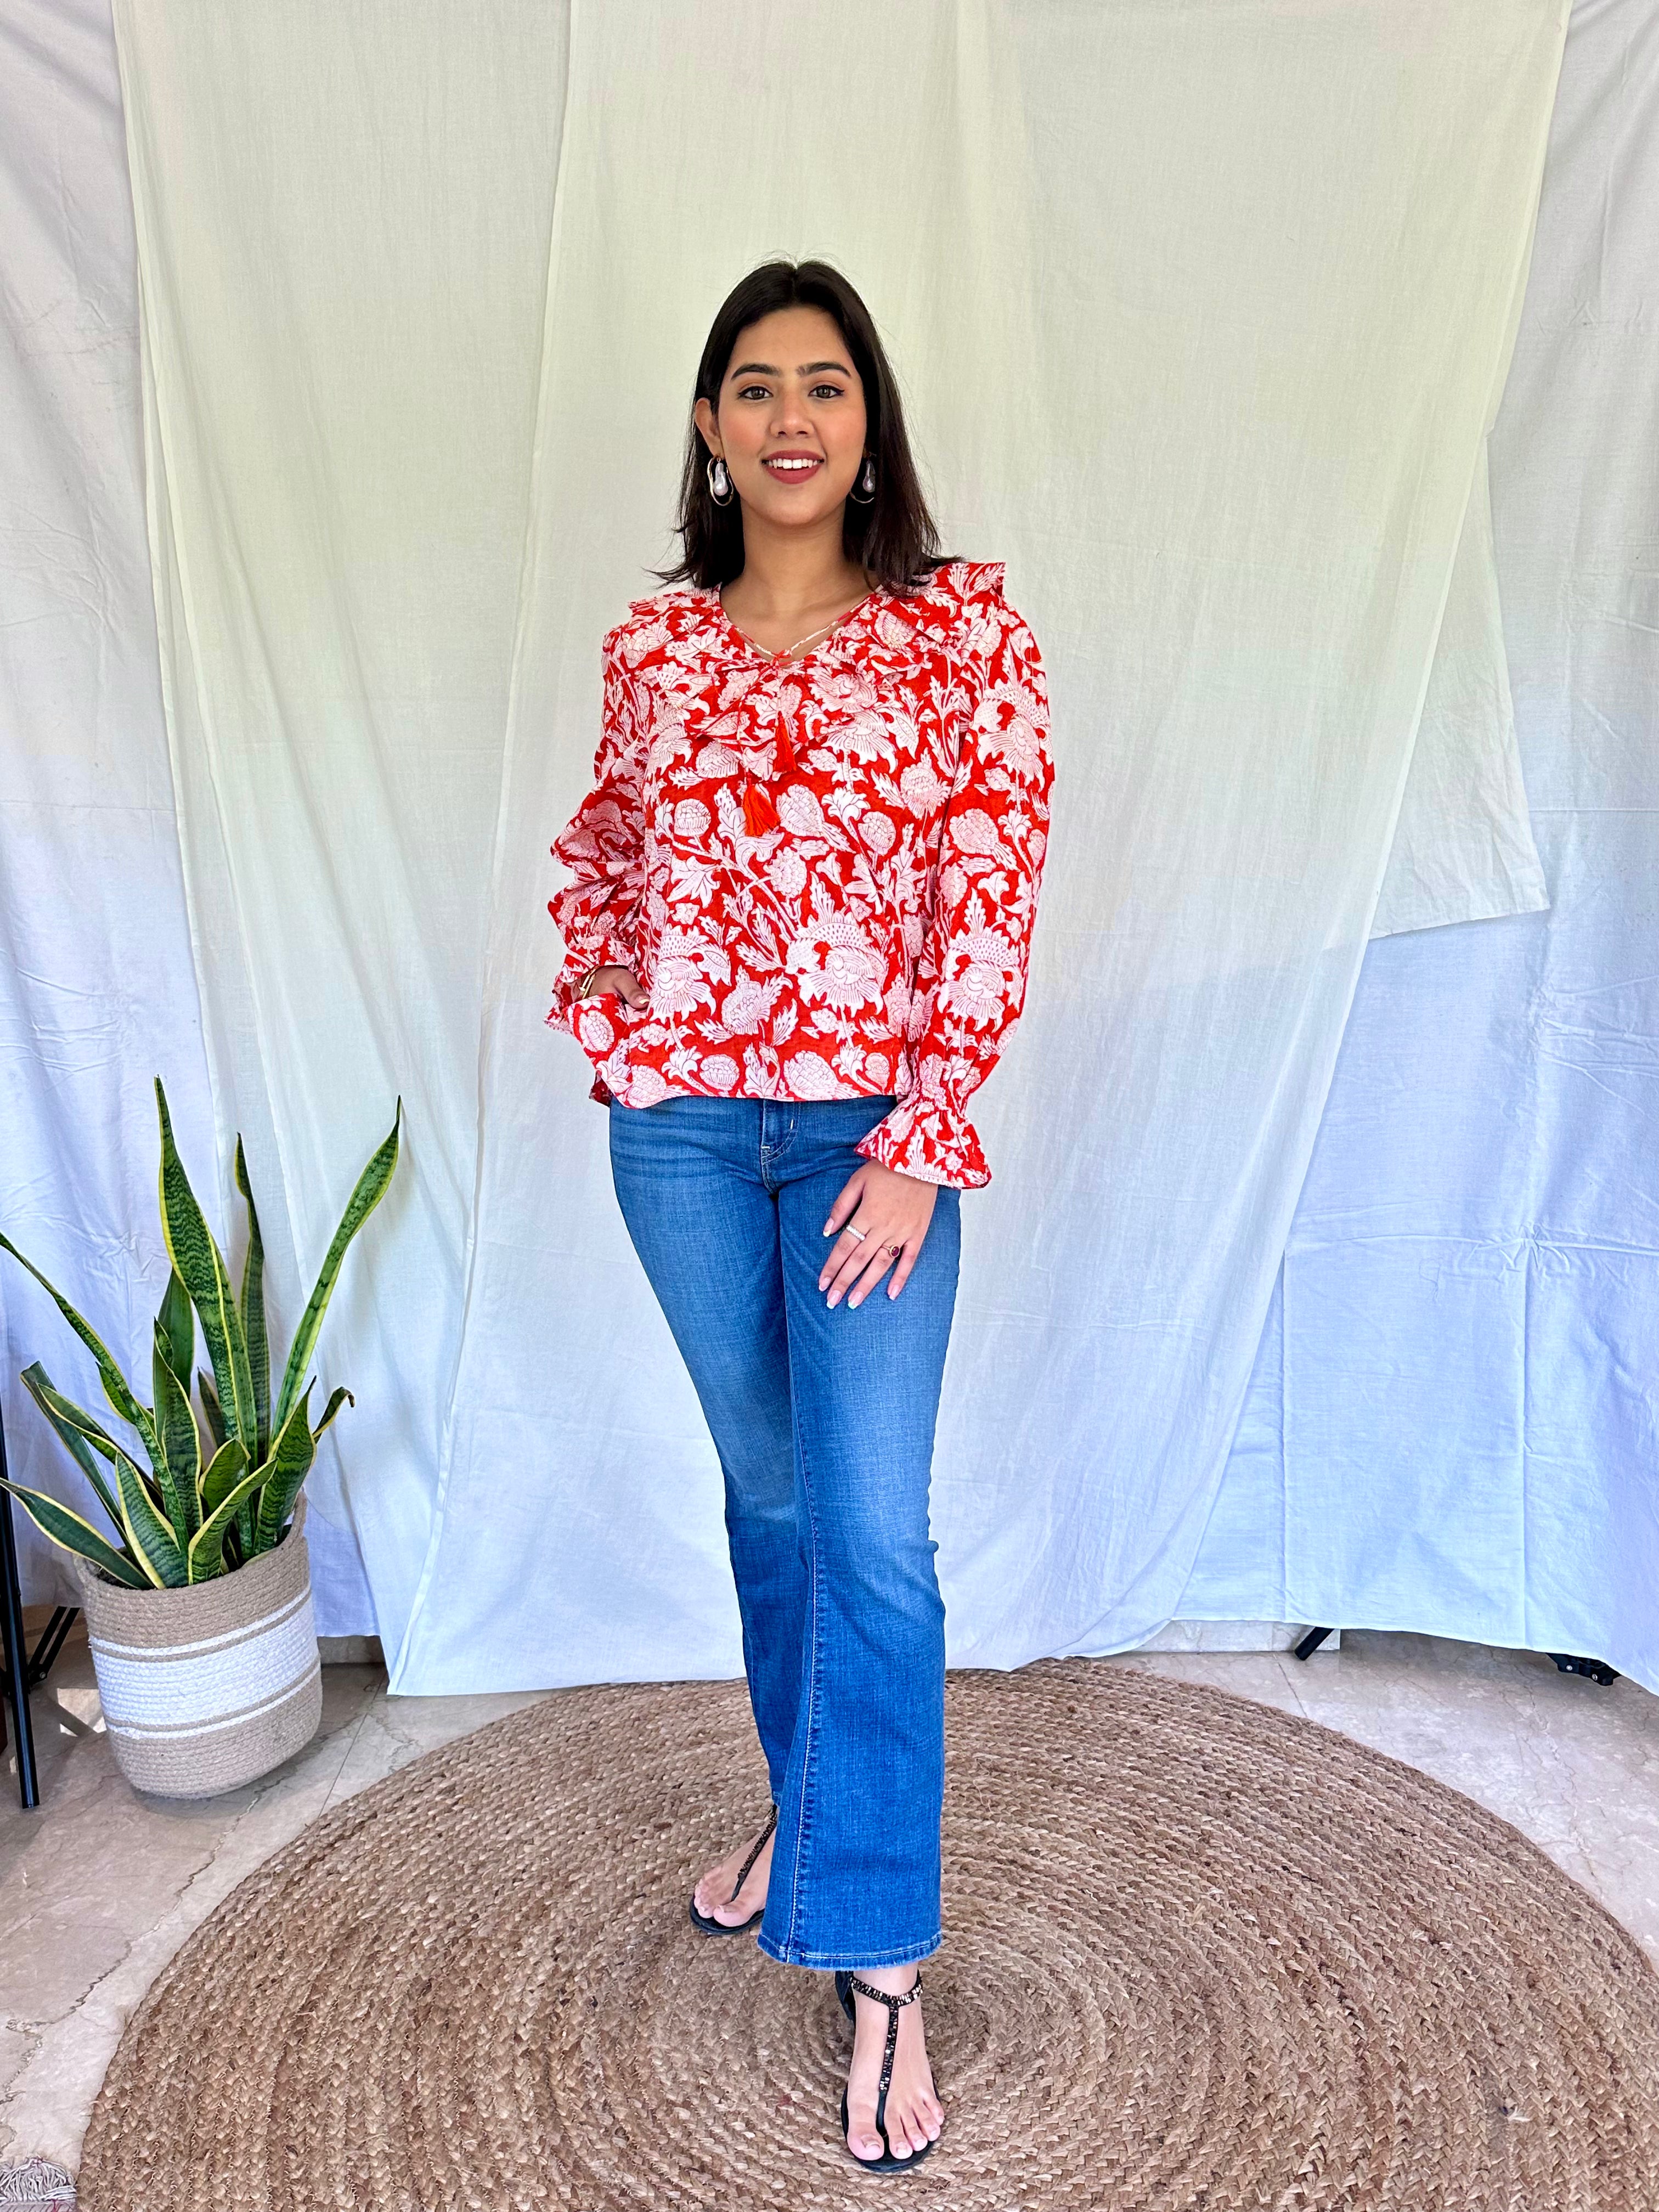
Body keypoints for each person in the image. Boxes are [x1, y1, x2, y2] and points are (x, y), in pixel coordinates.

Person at [546, 257, 1054, 2173]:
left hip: (870, 1141)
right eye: (751, 387)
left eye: (822, 385)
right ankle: (802, 1789)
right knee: (766, 1502)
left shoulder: (957, 637)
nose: (786, 418)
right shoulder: (654, 647)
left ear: (868, 423)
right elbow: (607, 839)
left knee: (873, 1529)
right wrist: (618, 1024)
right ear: (708, 427)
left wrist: (924, 1136)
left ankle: (884, 1956)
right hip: (679, 1137)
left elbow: (992, 885)